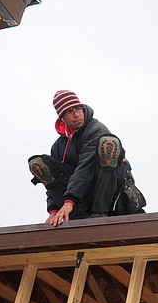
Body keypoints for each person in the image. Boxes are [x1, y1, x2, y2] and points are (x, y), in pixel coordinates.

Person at [28, 90, 146, 226]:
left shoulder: (96, 129)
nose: (76, 114)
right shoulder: (58, 146)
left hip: (110, 190)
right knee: (41, 164)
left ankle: (100, 212)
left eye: (78, 108)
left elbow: (85, 168)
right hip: (81, 199)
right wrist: (53, 210)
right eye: (69, 112)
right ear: (62, 117)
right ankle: (77, 215)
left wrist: (69, 201)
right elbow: (52, 180)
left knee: (108, 144)